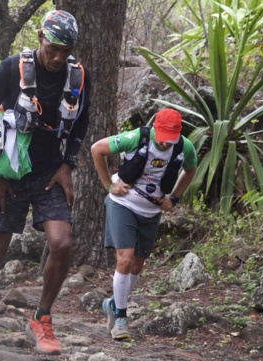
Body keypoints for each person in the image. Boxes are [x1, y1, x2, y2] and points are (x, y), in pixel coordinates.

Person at [0, 10, 91, 355]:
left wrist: (68, 164)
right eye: (53, 48)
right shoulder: (9, 70)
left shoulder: (77, 77)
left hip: (50, 174)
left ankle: (42, 318)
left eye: (67, 50)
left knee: (62, 244)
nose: (58, 57)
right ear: (39, 38)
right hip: (8, 174)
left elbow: (79, 124)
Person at [91, 108, 197, 340]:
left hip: (151, 211)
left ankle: (113, 304)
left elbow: (190, 169)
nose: (166, 143)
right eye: (162, 138)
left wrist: (175, 198)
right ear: (155, 128)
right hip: (124, 204)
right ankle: (120, 318)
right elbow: (97, 150)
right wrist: (109, 185)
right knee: (125, 258)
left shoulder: (184, 146)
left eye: (171, 139)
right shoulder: (136, 138)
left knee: (137, 265)